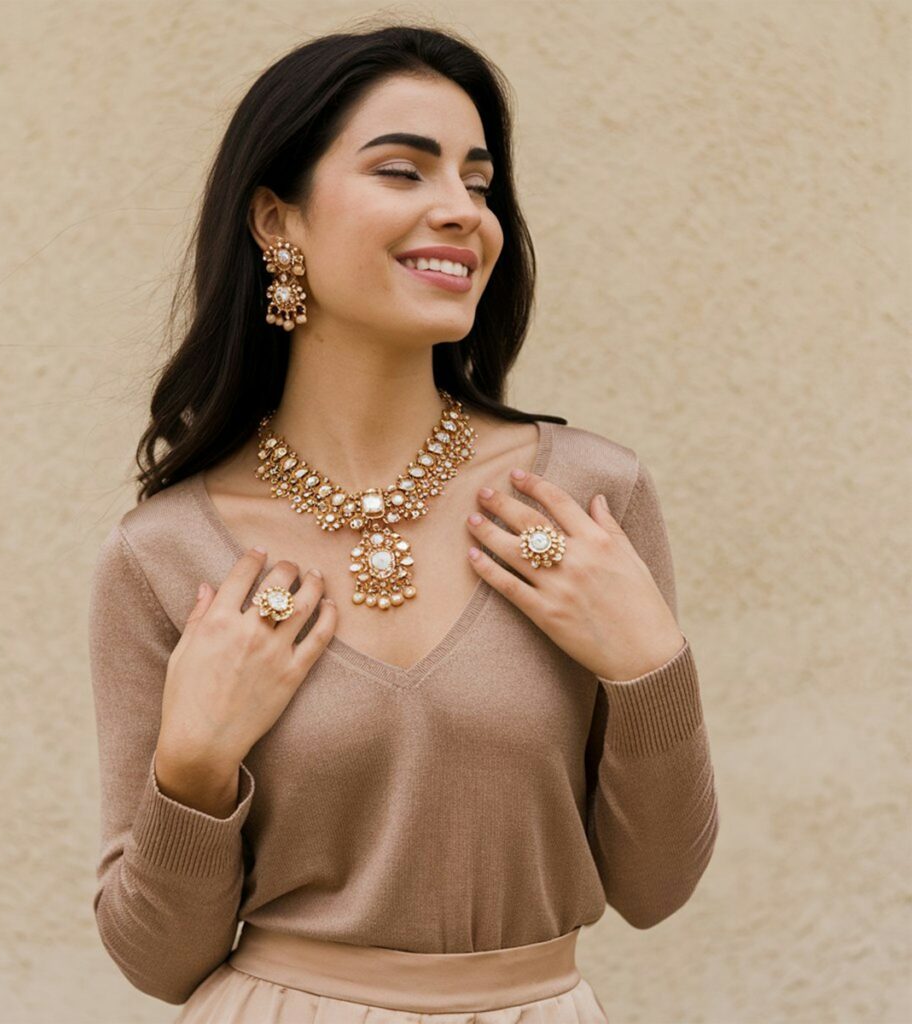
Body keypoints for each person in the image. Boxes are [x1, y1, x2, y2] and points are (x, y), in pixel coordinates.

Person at [88, 22, 719, 1023]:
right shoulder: (166, 555)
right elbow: (158, 961)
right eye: (403, 171)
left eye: (478, 182)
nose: (461, 212)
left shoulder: (588, 502)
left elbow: (655, 887)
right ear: (274, 220)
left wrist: (650, 666)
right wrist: (195, 765)